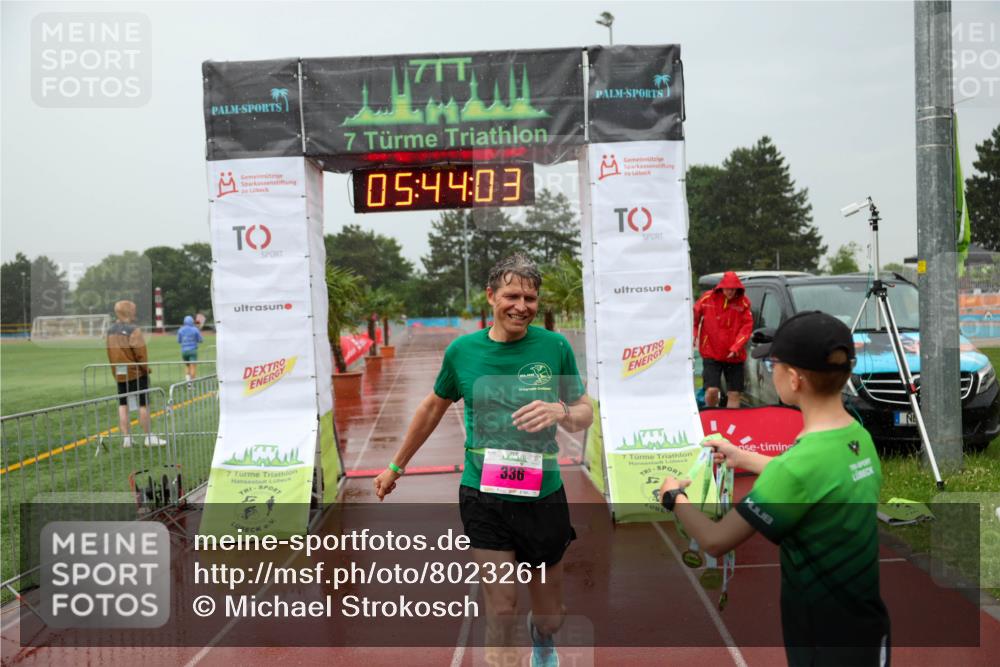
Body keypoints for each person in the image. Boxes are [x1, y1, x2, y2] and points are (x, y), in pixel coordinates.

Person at [374, 253, 593, 667]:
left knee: (551, 617)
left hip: (543, 496)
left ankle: (542, 639)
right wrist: (395, 466)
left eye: (530, 298)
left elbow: (586, 412)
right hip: (483, 496)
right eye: (512, 296)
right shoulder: (463, 352)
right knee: (501, 607)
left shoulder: (555, 347)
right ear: (491, 296)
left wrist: (561, 411)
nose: (521, 306)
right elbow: (432, 408)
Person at [660, 311, 890, 666]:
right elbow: (816, 479)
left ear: (794, 379)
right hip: (868, 629)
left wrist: (675, 497)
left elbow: (715, 540)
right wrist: (744, 457)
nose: (771, 372)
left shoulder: (795, 468)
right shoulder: (858, 438)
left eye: (773, 365)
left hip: (822, 641)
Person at [106, 300, 165, 447]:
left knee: (123, 404)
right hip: (136, 372)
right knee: (143, 404)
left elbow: (110, 353)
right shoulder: (133, 330)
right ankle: (148, 437)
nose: (135, 312)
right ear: (129, 311)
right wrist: (146, 369)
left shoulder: (110, 331)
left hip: (119, 373)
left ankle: (127, 438)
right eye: (133, 310)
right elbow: (141, 354)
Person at [693, 271, 753, 409]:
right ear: (721, 287)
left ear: (737, 288)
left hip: (734, 356)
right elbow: (695, 315)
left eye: (733, 289)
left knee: (734, 394)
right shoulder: (707, 298)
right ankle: (712, 414)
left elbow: (747, 327)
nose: (730, 292)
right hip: (711, 352)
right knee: (712, 390)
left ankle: (732, 421)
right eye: (727, 288)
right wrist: (695, 332)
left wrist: (736, 347)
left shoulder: (744, 303)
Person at [177, 315, 204, 381]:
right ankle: (192, 383)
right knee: (193, 367)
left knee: (187, 366)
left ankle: (188, 381)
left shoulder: (180, 330)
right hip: (192, 351)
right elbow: (200, 340)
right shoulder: (195, 329)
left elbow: (179, 341)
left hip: (184, 351)